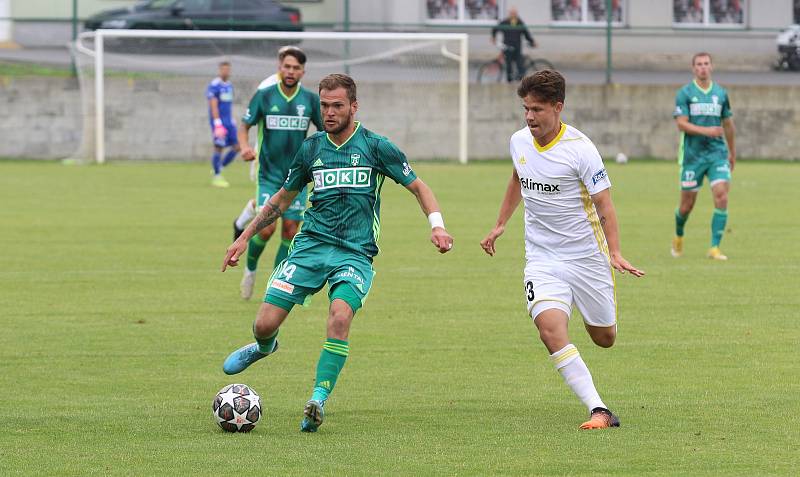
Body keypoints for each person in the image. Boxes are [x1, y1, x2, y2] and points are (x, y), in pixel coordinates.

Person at [221, 73, 454, 432]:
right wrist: (242, 237)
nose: (329, 112)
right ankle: (264, 348)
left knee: (340, 316)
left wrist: (436, 225)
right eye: (324, 106)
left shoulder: (377, 147)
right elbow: (280, 201)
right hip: (310, 247)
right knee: (264, 324)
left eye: (337, 106)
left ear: (353, 107)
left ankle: (317, 399)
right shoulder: (312, 149)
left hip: (354, 253)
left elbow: (419, 187)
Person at [480, 70, 644, 430]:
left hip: (586, 257)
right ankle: (598, 409)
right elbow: (517, 179)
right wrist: (501, 223)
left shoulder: (582, 150)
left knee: (604, 338)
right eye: (525, 109)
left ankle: (596, 317)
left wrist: (615, 252)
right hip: (542, 258)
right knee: (550, 328)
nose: (529, 117)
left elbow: (605, 205)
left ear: (558, 107)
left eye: (537, 109)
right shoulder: (519, 142)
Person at [232, 47, 322, 300]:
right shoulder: (265, 95)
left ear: (303, 71)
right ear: (279, 67)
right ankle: (249, 272)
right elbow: (245, 125)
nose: (291, 72)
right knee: (266, 229)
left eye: (296, 68)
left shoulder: (310, 100)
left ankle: (275, 283)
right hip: (269, 174)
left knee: (290, 231)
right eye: (287, 67)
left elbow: (326, 131)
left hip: (297, 176)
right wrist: (245, 146)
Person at [671, 52, 736, 260]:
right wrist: (706, 131)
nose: (703, 67)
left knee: (721, 196)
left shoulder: (721, 93)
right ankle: (679, 235)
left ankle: (714, 247)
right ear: (693, 68)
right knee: (686, 206)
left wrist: (732, 152)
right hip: (693, 157)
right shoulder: (685, 93)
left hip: (717, 154)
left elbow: (728, 124)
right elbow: (681, 123)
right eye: (699, 64)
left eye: (706, 64)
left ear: (712, 67)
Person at [206, 61, 240, 188]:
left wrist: (231, 119)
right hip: (219, 122)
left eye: (228, 69)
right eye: (223, 69)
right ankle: (217, 177)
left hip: (229, 122)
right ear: (219, 70)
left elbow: (228, 105)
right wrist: (217, 123)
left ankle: (219, 167)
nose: (226, 72)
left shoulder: (229, 85)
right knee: (219, 147)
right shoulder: (215, 85)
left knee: (237, 146)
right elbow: (213, 104)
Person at [491, 7, 536, 83]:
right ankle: (509, 81)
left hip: (517, 47)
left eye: (515, 13)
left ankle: (521, 81)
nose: (513, 15)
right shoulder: (505, 22)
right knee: (509, 65)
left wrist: (532, 41)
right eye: (512, 13)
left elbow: (526, 33)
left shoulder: (519, 22)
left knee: (520, 64)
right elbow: (495, 29)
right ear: (509, 14)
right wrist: (493, 37)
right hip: (507, 47)